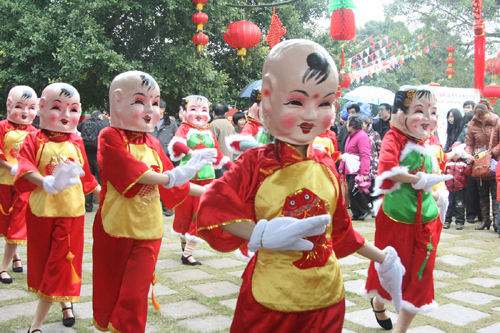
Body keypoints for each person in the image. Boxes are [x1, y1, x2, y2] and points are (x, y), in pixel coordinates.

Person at [196, 39, 405, 333]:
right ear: (268, 99)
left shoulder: (326, 163)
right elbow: (213, 209)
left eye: (325, 103)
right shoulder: (256, 163)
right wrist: (261, 233)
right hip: (269, 299)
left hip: (326, 299)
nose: (310, 114)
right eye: (296, 101)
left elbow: (341, 232)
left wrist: (384, 259)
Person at [92, 71, 214, 333]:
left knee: (135, 294)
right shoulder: (110, 137)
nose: (150, 110)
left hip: (148, 230)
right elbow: (132, 170)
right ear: (117, 102)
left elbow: (175, 181)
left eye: (155, 102)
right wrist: (171, 177)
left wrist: (210, 191)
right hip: (116, 229)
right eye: (140, 101)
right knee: (112, 289)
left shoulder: (153, 142)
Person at [14, 83, 101, 333]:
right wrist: (45, 181)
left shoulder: (76, 139)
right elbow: (24, 167)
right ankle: (65, 304)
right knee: (47, 265)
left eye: (73, 109)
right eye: (56, 107)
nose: (66, 115)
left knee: (61, 264)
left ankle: (36, 324)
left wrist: (103, 194)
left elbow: (86, 175)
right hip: (42, 213)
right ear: (41, 108)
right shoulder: (33, 138)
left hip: (72, 213)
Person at [365, 85, 452, 333]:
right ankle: (379, 302)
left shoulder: (429, 140)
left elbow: (435, 171)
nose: (429, 119)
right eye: (420, 111)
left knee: (421, 276)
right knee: (392, 270)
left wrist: (437, 189)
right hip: (397, 217)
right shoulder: (393, 138)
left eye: (433, 112)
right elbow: (387, 170)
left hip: (427, 219)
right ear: (400, 112)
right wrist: (418, 180)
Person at [168, 95, 232, 265]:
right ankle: (184, 243)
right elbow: (176, 144)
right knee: (184, 215)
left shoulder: (210, 133)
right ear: (185, 112)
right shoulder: (184, 129)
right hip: (187, 179)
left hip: (207, 180)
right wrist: (192, 153)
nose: (199, 113)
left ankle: (187, 253)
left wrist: (234, 166)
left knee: (201, 215)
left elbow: (218, 156)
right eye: (194, 109)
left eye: (204, 110)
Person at [0, 86, 38, 285]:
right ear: (9, 105)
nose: (25, 112)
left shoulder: (35, 133)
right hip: (4, 182)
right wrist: (10, 167)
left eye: (31, 107)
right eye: (20, 106)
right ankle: (15, 257)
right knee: (6, 224)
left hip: (24, 185)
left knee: (17, 224)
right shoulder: (2, 127)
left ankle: (2, 267)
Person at [465, 99, 500, 232]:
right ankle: (485, 220)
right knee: (482, 192)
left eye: (482, 117)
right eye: (478, 117)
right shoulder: (473, 124)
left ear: (488, 112)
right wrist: (469, 155)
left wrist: (492, 153)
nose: (480, 119)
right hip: (479, 163)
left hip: (494, 162)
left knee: (495, 192)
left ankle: (497, 220)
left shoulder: (497, 121)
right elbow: (469, 143)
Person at [339, 114, 371, 220]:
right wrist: (342, 166)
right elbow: (346, 152)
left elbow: (365, 155)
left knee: (355, 191)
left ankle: (363, 209)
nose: (346, 125)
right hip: (349, 167)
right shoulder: (351, 135)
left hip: (356, 168)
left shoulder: (362, 136)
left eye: (348, 123)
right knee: (351, 191)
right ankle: (357, 213)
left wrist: (364, 172)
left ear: (352, 125)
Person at [77, 110, 109, 212]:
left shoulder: (84, 123)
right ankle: (104, 204)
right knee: (102, 180)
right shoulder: (104, 124)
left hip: (86, 155)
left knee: (88, 180)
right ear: (100, 115)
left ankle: (88, 206)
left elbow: (78, 128)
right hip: (98, 156)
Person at [153, 99, 179, 216]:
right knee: (153, 182)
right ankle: (154, 206)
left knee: (167, 182)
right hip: (151, 156)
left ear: (162, 109)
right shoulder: (148, 122)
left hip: (167, 157)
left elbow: (177, 140)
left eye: (155, 107)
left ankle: (168, 207)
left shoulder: (171, 123)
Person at [444, 142, 472, 230]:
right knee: (448, 205)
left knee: (460, 206)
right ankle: (447, 220)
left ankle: (459, 221)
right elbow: (443, 172)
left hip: (460, 188)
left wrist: (469, 164)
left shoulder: (463, 163)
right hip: (448, 188)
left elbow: (468, 173)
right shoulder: (448, 163)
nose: (456, 156)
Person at [360, 114, 382, 215]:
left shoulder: (374, 134)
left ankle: (375, 208)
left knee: (374, 186)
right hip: (362, 165)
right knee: (363, 186)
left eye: (362, 122)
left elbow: (380, 149)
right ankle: (366, 207)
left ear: (367, 123)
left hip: (373, 165)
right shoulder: (358, 134)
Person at [209, 102, 235, 178]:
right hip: (229, 160)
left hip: (218, 162)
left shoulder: (213, 124)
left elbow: (210, 143)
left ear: (213, 113)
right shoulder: (230, 124)